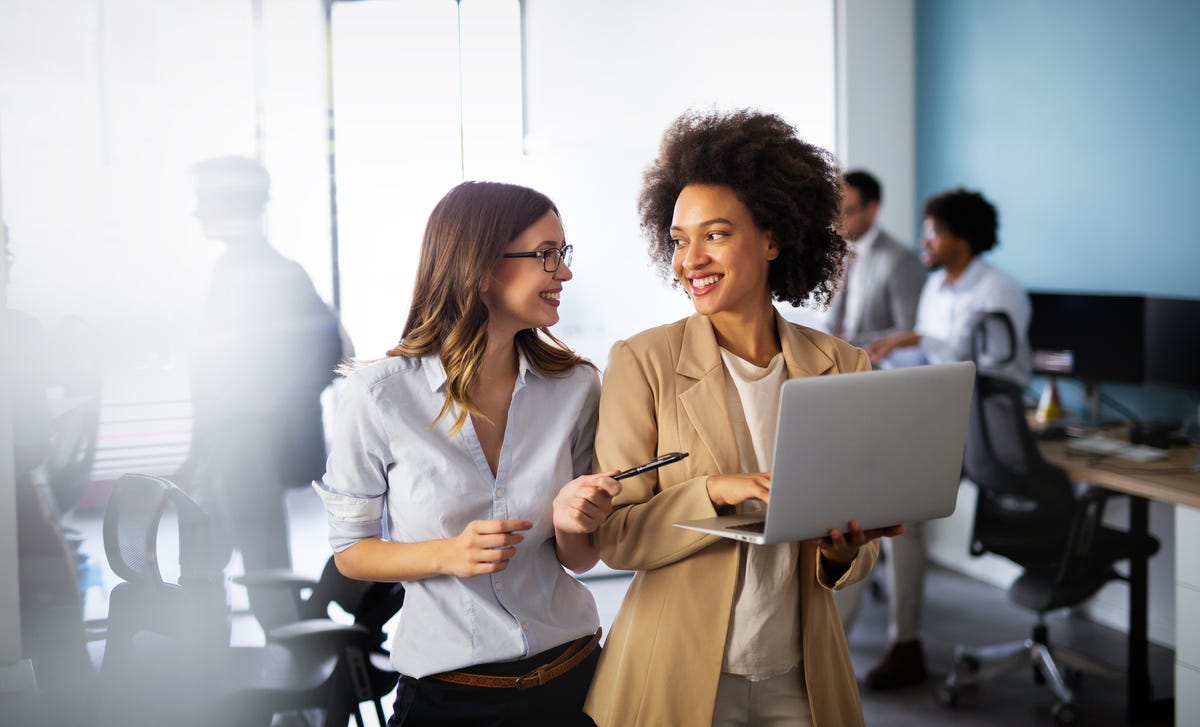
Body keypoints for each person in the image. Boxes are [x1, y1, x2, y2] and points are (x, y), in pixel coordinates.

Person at [583, 109, 902, 727]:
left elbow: (858, 552)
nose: (689, 260)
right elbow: (615, 538)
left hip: (800, 675)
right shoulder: (642, 362)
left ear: (773, 238)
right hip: (676, 670)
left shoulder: (843, 364)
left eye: (716, 234)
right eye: (678, 239)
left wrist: (843, 552)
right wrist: (713, 492)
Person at [313, 181, 620, 727]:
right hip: (448, 698)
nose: (564, 273)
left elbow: (579, 558)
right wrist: (446, 554)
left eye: (563, 254)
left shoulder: (576, 388)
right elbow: (351, 552)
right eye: (546, 255)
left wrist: (576, 521)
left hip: (575, 682)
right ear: (479, 268)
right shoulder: (380, 396)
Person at [850, 188, 1031, 690]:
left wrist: (921, 341)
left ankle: (901, 644)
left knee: (896, 511)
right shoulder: (935, 289)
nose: (923, 241)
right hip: (936, 420)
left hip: (983, 428)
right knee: (876, 508)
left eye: (932, 232)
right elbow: (930, 361)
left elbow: (992, 365)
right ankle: (871, 643)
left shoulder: (999, 292)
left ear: (960, 237)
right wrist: (887, 353)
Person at [180, 155, 344, 632]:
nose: (197, 211)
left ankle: (300, 676)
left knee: (264, 573)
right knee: (215, 569)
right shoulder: (231, 270)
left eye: (205, 201)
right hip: (225, 447)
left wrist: (271, 399)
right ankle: (232, 674)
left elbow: (327, 347)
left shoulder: (272, 273)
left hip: (246, 447)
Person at [826, 169, 926, 346]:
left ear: (872, 209)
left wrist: (848, 344)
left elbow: (907, 331)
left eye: (847, 211)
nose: (838, 221)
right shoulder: (839, 255)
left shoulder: (900, 259)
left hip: (875, 367)